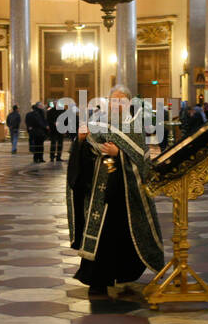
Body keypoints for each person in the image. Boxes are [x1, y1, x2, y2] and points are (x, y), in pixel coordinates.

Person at [67, 86, 165, 297]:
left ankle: (122, 274)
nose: (116, 105)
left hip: (124, 195)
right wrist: (82, 141)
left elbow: (142, 161)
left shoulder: (134, 127)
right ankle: (98, 280)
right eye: (113, 101)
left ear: (128, 103)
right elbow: (85, 155)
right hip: (99, 193)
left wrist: (119, 153)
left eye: (120, 101)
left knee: (120, 235)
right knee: (100, 236)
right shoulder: (98, 124)